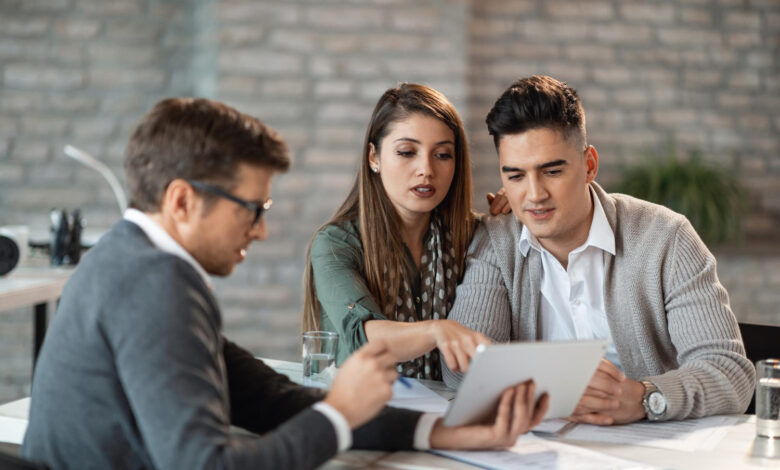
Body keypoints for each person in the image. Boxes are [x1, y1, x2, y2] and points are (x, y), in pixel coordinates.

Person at [21, 98, 549, 470]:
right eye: (251, 207)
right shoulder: (153, 283)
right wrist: (340, 412)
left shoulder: (129, 263)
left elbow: (269, 398)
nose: (262, 227)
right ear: (182, 201)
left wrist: (439, 434)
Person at [442, 75, 755, 425]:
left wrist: (644, 397)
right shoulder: (497, 242)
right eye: (515, 176)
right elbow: (463, 370)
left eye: (552, 171)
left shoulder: (666, 238)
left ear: (589, 164)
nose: (534, 194)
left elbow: (730, 374)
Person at [303, 83, 500, 381]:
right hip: (364, 413)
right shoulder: (335, 244)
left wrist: (519, 207)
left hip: (446, 415)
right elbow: (366, 338)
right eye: (407, 152)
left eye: (443, 155)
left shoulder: (474, 235)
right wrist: (438, 330)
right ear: (374, 157)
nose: (426, 169)